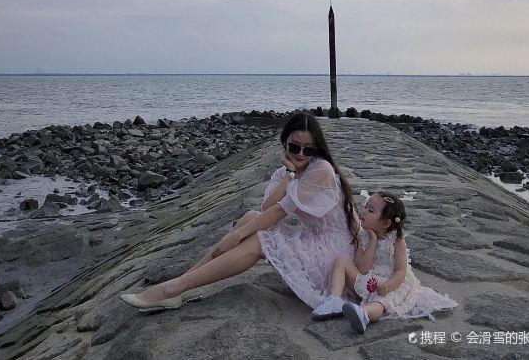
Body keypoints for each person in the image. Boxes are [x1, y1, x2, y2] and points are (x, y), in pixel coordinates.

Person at [120, 111, 358, 312]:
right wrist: (290, 173)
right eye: (295, 147)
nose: (301, 154)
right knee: (251, 217)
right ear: (285, 142)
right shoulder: (293, 171)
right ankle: (178, 286)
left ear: (317, 150)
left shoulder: (321, 169)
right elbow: (266, 208)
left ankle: (170, 289)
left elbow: (279, 211)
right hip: (319, 240)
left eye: (309, 150)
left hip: (336, 250)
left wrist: (234, 236)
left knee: (258, 240)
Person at [311, 191, 458, 333]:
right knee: (341, 261)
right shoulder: (362, 236)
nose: (364, 212)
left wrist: (388, 286)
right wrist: (372, 241)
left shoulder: (396, 241)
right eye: (365, 207)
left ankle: (364, 314)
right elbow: (362, 268)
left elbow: (401, 271)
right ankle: (334, 300)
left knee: (381, 301)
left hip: (391, 283)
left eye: (371, 210)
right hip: (367, 279)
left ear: (386, 222)